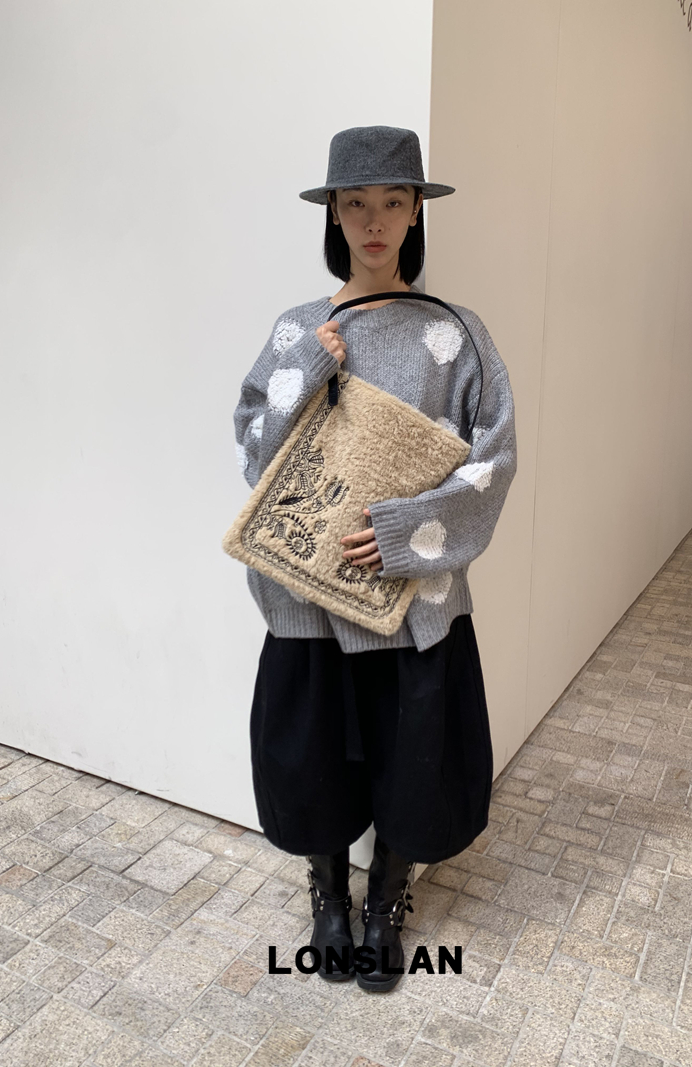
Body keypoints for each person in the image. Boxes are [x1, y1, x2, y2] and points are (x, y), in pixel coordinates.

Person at [233, 126, 517, 992]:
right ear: (333, 214)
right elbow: (251, 449)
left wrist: (404, 531)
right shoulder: (298, 329)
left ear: (417, 211)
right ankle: (329, 892)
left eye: (394, 201)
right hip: (307, 598)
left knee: (414, 759)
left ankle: (386, 900)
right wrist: (304, 375)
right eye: (355, 203)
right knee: (310, 756)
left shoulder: (458, 336)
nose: (374, 221)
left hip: (414, 597)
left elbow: (493, 460)